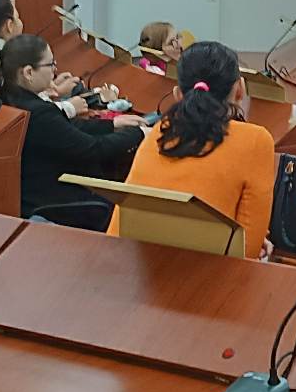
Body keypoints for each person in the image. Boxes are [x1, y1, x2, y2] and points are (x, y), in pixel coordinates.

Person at [115, 41, 277, 257]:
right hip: (206, 269)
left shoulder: (160, 130)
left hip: (129, 260)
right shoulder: (256, 140)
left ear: (178, 94)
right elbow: (249, 249)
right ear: (240, 89)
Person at [0, 35, 143, 226]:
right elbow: (93, 149)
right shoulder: (38, 112)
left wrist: (112, 125)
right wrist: (140, 134)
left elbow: (66, 129)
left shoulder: (9, 98)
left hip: (33, 194)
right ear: (28, 72)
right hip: (53, 203)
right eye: (50, 64)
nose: (55, 70)